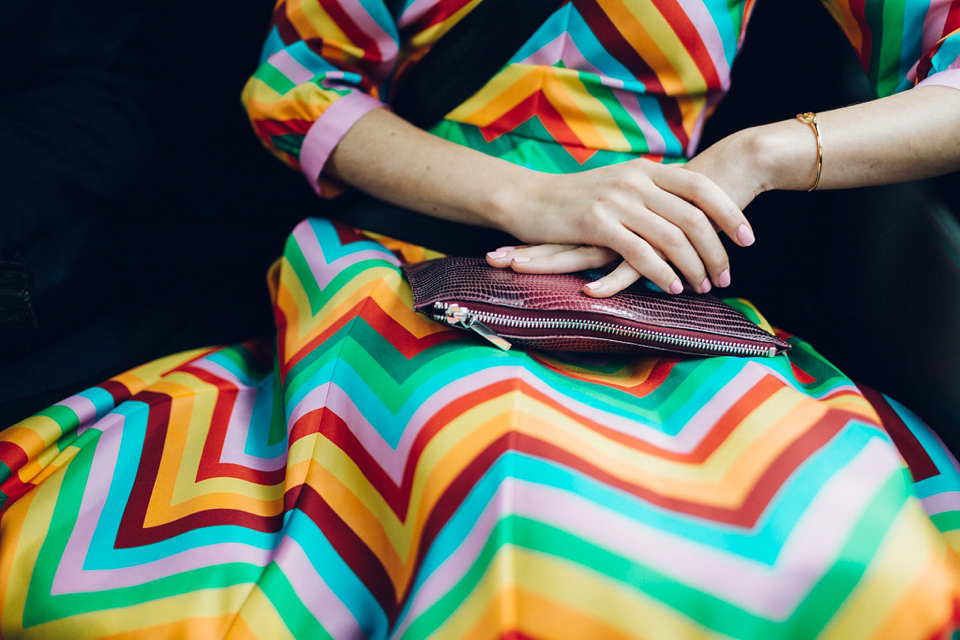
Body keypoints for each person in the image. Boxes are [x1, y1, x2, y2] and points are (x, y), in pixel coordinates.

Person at [1, 1, 959, 638]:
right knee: (495, 474)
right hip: (414, 258)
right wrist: (532, 198)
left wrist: (752, 159)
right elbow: (297, 90)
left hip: (654, 279)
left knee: (832, 536)